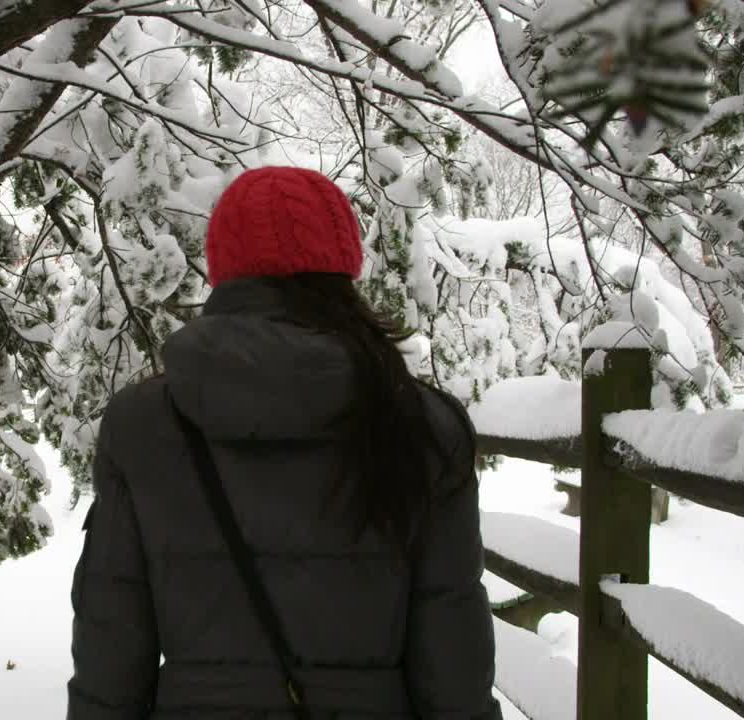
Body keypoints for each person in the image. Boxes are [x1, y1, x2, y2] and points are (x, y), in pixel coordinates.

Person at [67, 166, 501, 720]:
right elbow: (453, 648)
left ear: (224, 269)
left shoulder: (143, 422)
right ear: (344, 264)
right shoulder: (423, 426)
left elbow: (111, 638)